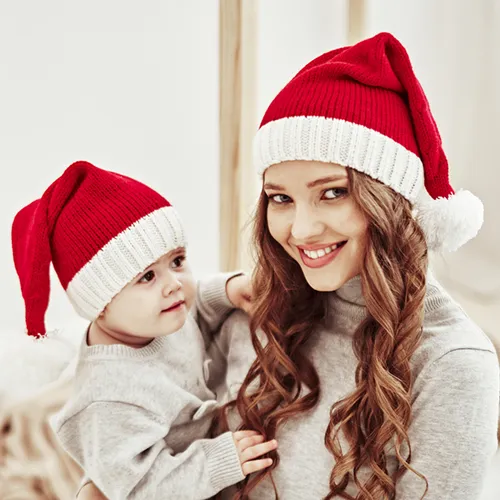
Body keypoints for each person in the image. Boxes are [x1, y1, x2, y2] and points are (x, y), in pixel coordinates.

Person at [78, 32, 500, 500]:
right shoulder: (260, 303)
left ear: (391, 201)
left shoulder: (453, 363)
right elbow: (141, 419)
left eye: (333, 192)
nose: (299, 230)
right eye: (281, 198)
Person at [11, 161, 277, 499]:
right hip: (165, 477)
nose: (174, 285)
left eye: (177, 261)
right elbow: (141, 488)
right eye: (147, 277)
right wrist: (216, 461)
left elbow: (197, 308)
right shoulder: (107, 399)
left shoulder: (153, 316)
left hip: (192, 445)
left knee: (235, 313)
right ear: (100, 302)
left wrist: (228, 289)